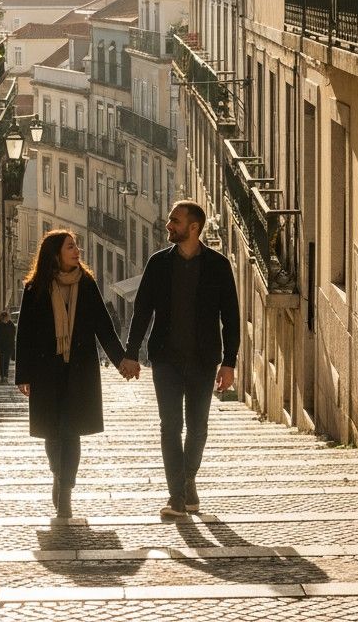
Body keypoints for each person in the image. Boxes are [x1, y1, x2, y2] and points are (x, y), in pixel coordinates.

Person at [120, 200, 240, 519]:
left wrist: (230, 362)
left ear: (194, 227)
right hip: (166, 361)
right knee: (170, 426)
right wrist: (131, 354)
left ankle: (187, 481)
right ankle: (177, 496)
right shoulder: (159, 264)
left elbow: (231, 317)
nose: (168, 225)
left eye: (175, 221)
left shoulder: (218, 265)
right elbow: (142, 310)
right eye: (171, 220)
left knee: (198, 427)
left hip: (203, 361)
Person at [14, 230, 127, 519]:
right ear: (55, 254)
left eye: (76, 246)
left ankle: (66, 489)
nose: (77, 251)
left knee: (72, 432)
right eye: (71, 247)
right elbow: (24, 333)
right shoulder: (34, 289)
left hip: (79, 371)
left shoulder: (87, 284)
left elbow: (103, 326)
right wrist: (23, 374)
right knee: (53, 433)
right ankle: (57, 473)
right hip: (46, 372)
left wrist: (122, 361)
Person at [0, 310, 16, 383]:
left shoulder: (11, 325)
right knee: (2, 362)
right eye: (6, 317)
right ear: (3, 317)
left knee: (6, 362)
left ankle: (5, 377)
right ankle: (3, 377)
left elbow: (13, 336)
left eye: (7, 317)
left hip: (8, 347)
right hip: (1, 347)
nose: (7, 319)